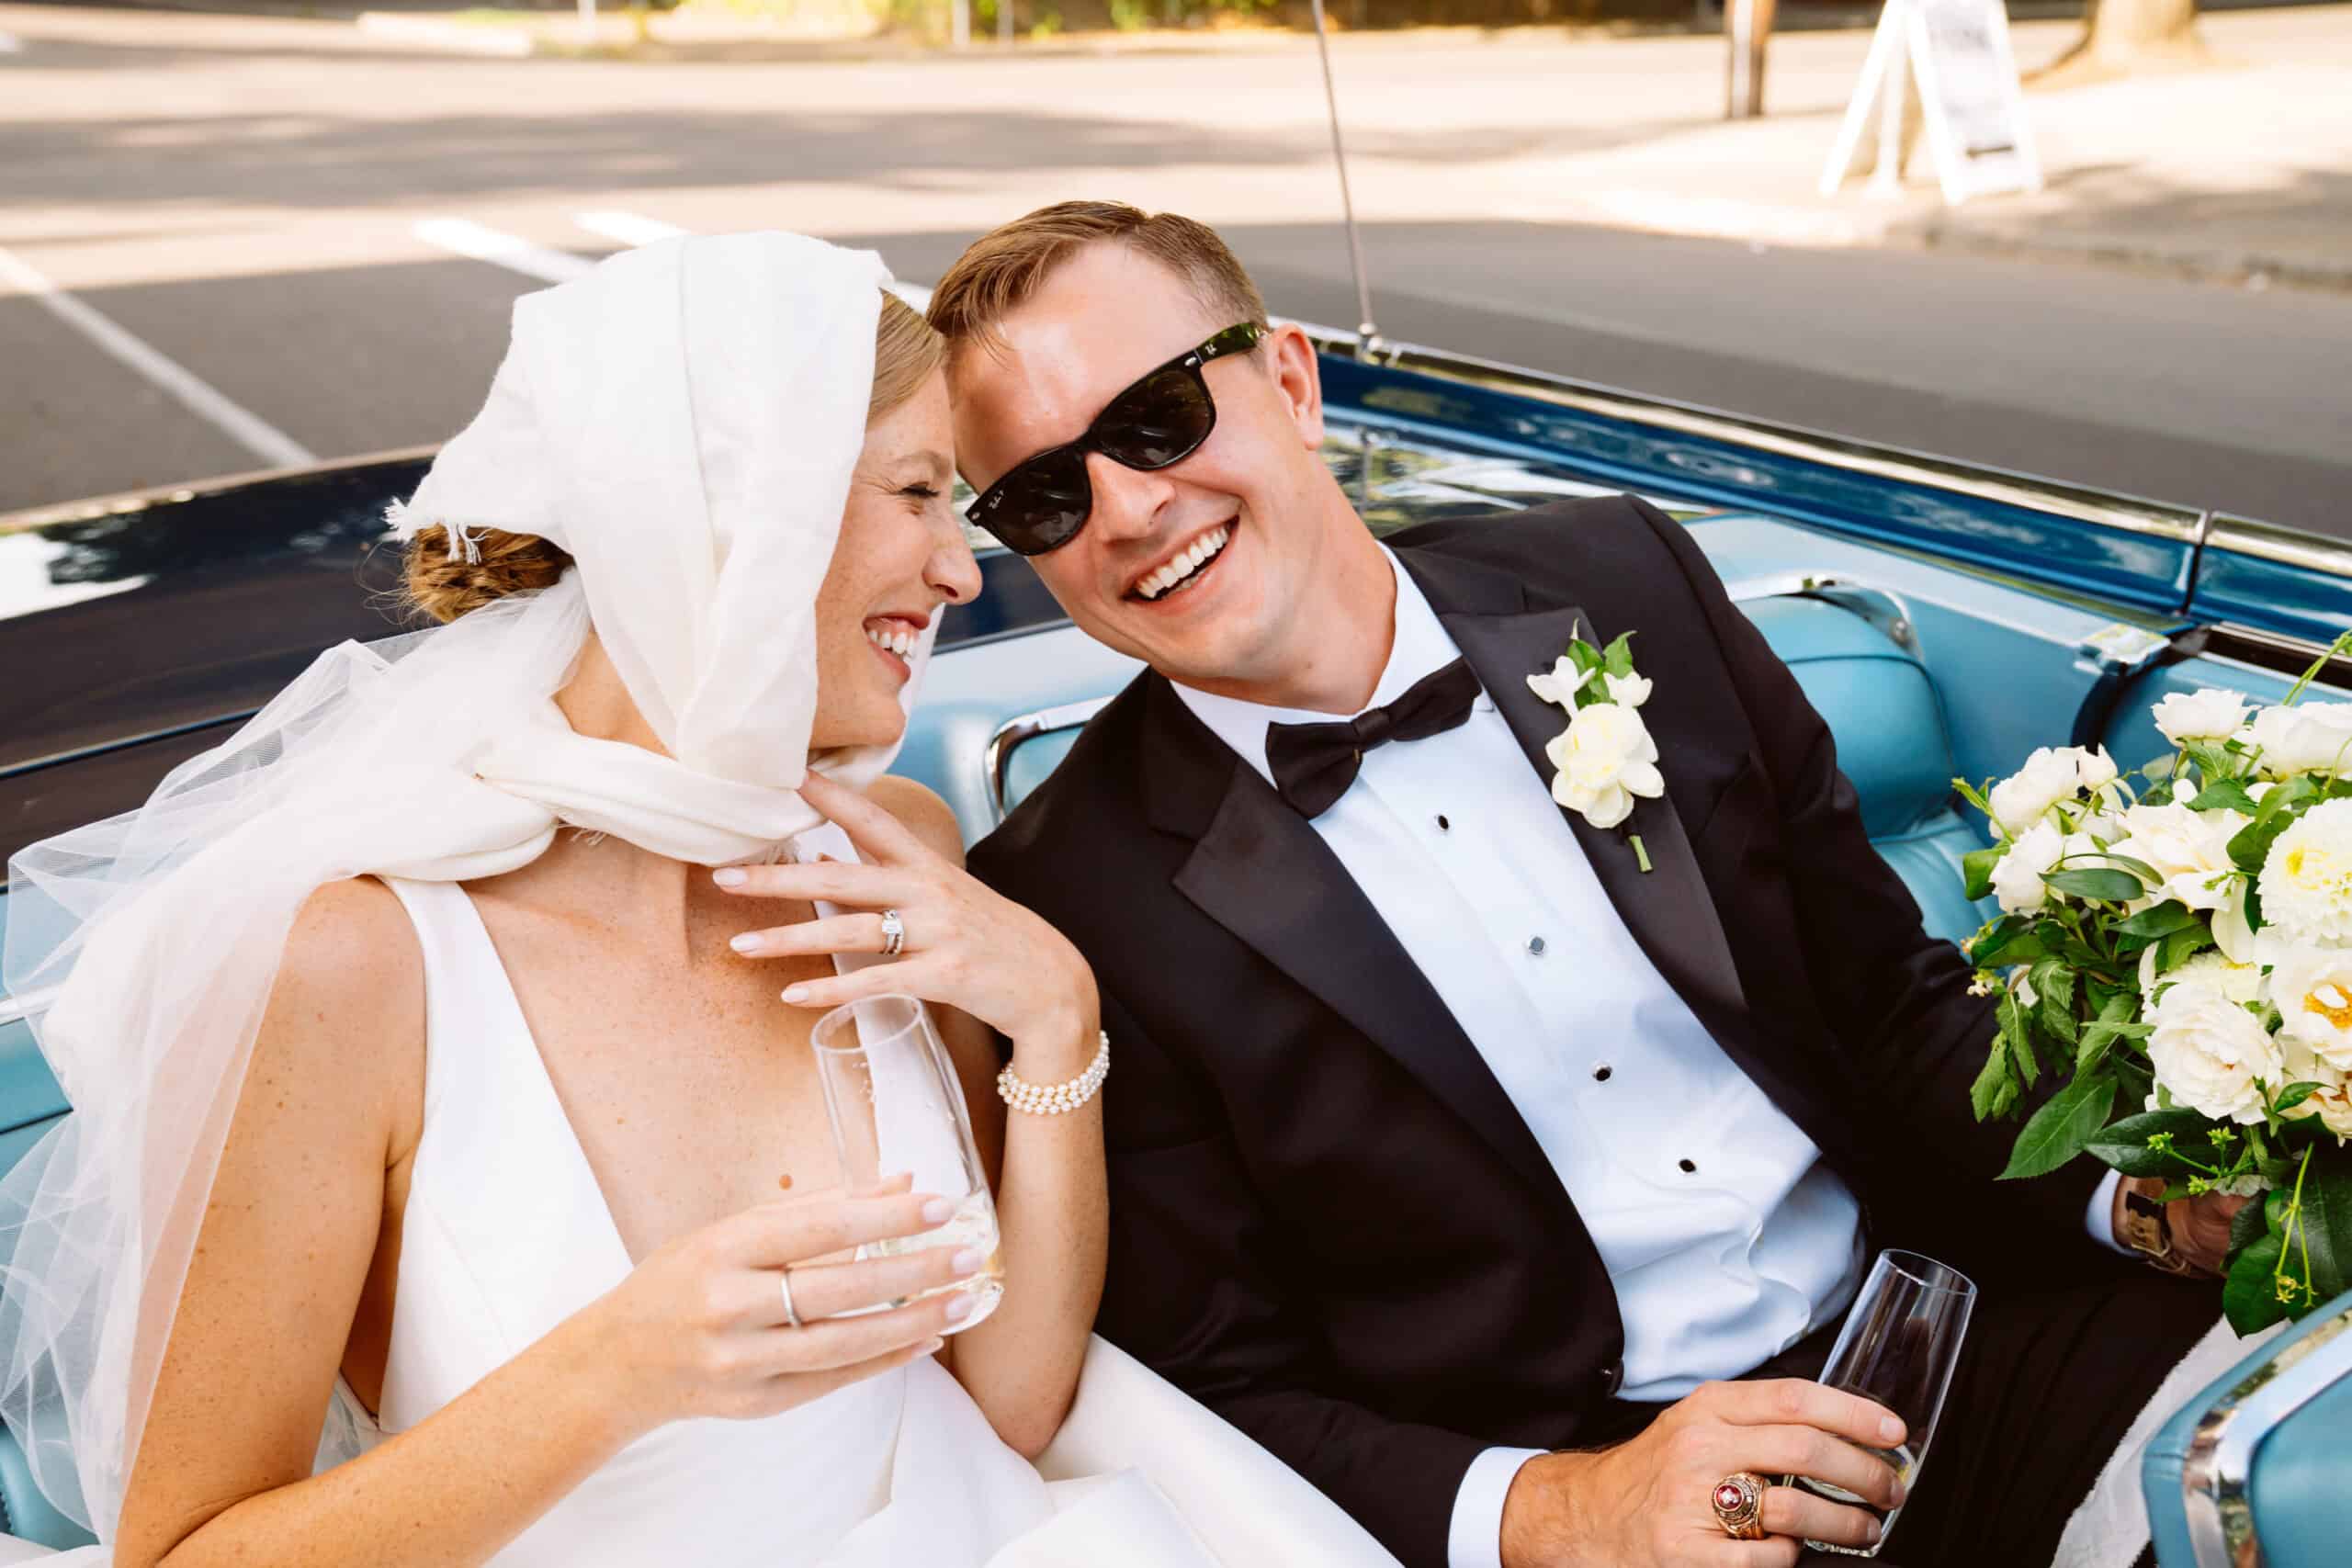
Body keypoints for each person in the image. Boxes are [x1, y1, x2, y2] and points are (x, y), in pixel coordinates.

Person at [936, 201, 2236, 1568]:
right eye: (1044, 495)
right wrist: (1568, 1511)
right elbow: (1219, 1394)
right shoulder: (1071, 897)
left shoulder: (1630, 577)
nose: (1130, 510)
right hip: (1593, 1491)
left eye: (1156, 419)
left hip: (1949, 1325)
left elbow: (1890, 1001)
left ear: (1293, 381)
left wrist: (2140, 1199)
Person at [0, 232, 1211, 1567]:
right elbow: (180, 1554)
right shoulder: (361, 963)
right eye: (920, 492)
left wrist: (1057, 1019)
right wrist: (616, 1371)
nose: (963, 569)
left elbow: (1006, 1404)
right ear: (734, 515)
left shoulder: (895, 854)